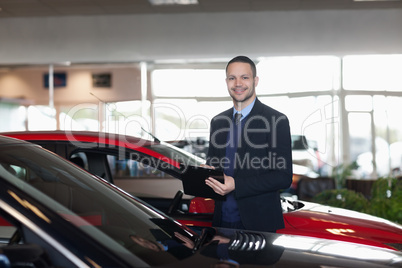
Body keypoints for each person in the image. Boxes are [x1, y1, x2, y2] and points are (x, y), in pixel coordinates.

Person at [204, 55, 293, 232]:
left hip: (259, 224)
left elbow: (283, 177)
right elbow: (214, 166)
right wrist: (206, 173)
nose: (238, 83)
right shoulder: (218, 122)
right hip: (222, 221)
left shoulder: (276, 120)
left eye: (244, 77)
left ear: (255, 80)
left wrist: (236, 184)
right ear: (226, 81)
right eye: (232, 78)